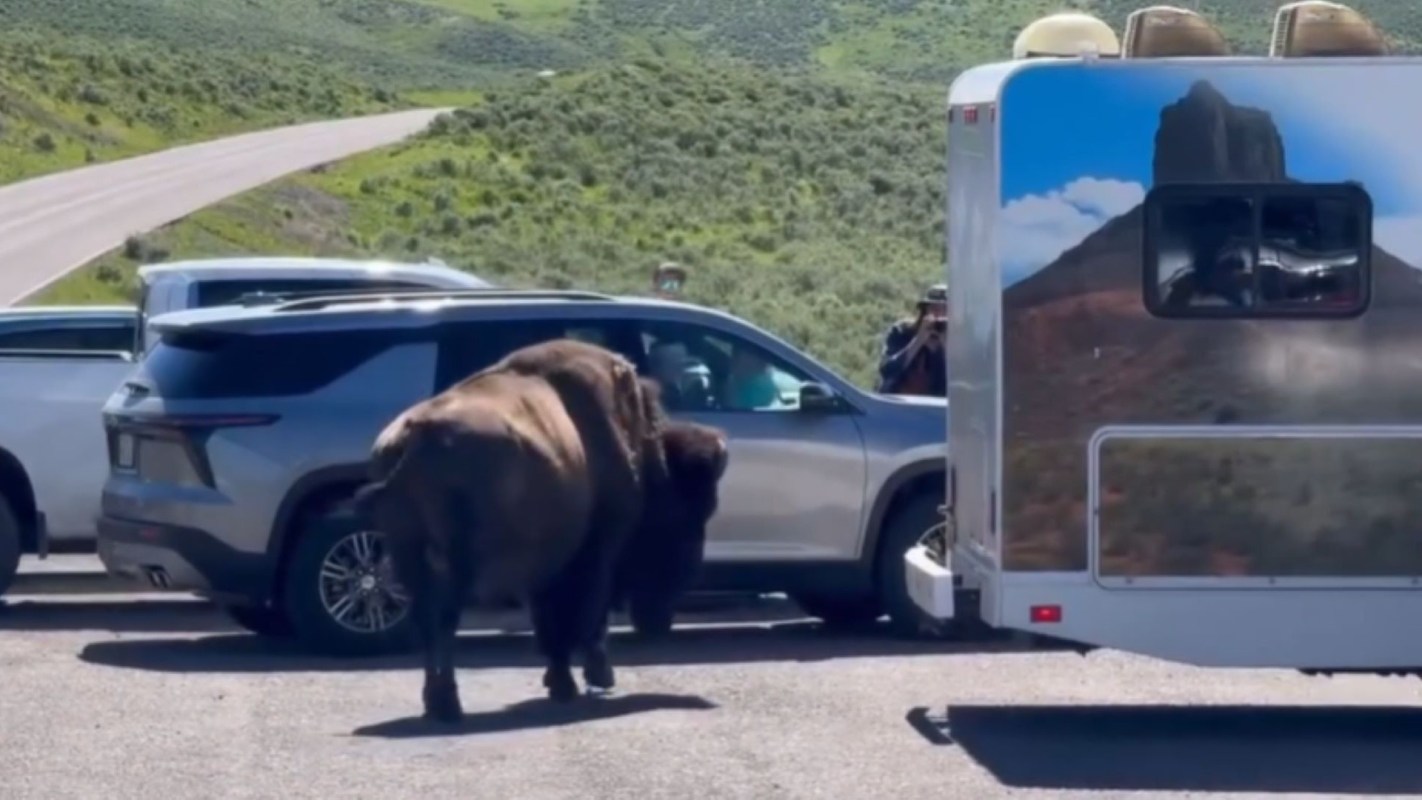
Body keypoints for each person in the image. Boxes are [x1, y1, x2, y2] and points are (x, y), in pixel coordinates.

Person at [875, 283, 948, 397]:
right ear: (925, 311)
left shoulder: (960, 342)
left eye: (944, 310)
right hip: (899, 404)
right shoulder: (901, 332)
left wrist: (944, 348)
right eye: (934, 309)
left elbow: (966, 382)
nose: (939, 315)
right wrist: (918, 340)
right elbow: (886, 370)